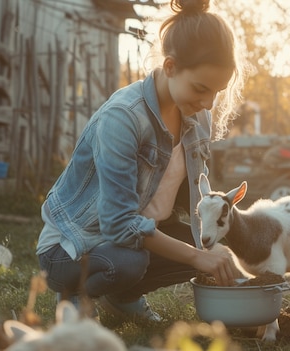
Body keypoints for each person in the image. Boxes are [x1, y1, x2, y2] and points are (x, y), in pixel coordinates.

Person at [36, 0, 246, 321]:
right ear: (171, 66)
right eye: (201, 88)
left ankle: (123, 297)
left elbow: (194, 199)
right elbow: (119, 224)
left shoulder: (195, 116)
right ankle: (75, 298)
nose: (208, 103)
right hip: (73, 247)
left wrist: (215, 244)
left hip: (132, 239)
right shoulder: (123, 117)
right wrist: (195, 257)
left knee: (207, 246)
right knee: (132, 262)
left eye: (217, 91)